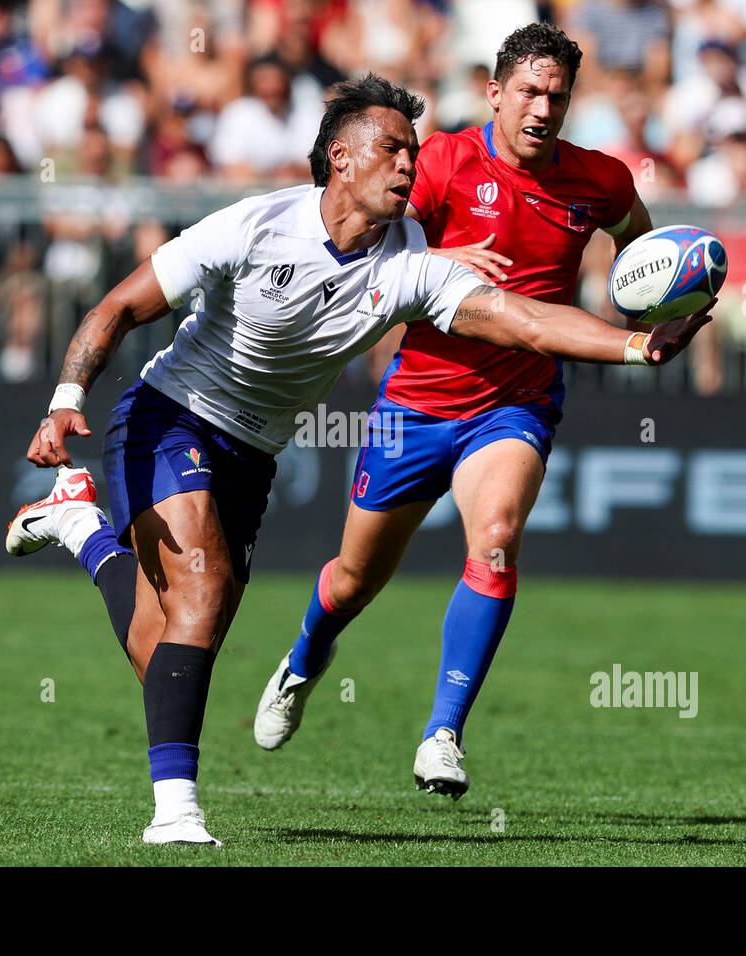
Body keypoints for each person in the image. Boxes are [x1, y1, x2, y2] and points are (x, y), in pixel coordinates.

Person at [4, 73, 711, 846]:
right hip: (168, 416)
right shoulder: (255, 224)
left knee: (165, 642)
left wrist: (637, 345)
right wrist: (66, 396)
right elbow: (117, 307)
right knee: (199, 610)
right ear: (340, 159)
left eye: (413, 150)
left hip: (254, 451)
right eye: (393, 150)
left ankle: (80, 526)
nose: (411, 165)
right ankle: (176, 814)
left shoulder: (413, 262)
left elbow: (527, 322)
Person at [251, 22, 666, 800]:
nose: (543, 109)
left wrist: (661, 306)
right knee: (351, 582)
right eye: (530, 92)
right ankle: (306, 656)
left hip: (516, 403)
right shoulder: (439, 160)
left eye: (558, 96)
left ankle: (443, 733)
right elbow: (357, 239)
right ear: (496, 92)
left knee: (498, 540)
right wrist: (436, 261)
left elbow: (640, 249)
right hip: (418, 402)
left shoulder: (601, 180)